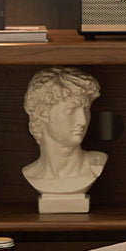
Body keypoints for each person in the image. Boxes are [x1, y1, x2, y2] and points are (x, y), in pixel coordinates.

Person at [22, 66, 107, 211]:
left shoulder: (96, 165)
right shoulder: (31, 173)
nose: (83, 121)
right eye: (72, 110)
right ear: (43, 113)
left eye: (86, 109)